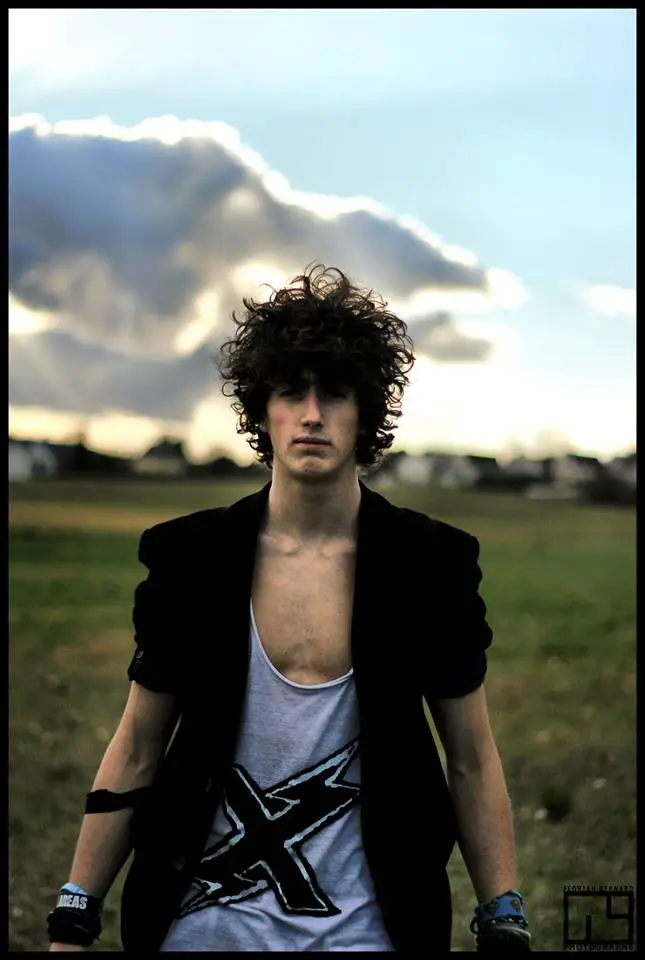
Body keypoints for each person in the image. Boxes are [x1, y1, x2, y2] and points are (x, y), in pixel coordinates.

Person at [47, 264, 531, 952]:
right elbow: (137, 748)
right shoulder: (191, 558)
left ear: (365, 412)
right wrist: (74, 914)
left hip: (365, 932)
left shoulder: (429, 564)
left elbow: (472, 760)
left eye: (334, 393)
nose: (310, 414)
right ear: (260, 409)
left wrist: (503, 918)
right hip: (200, 929)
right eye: (289, 391)